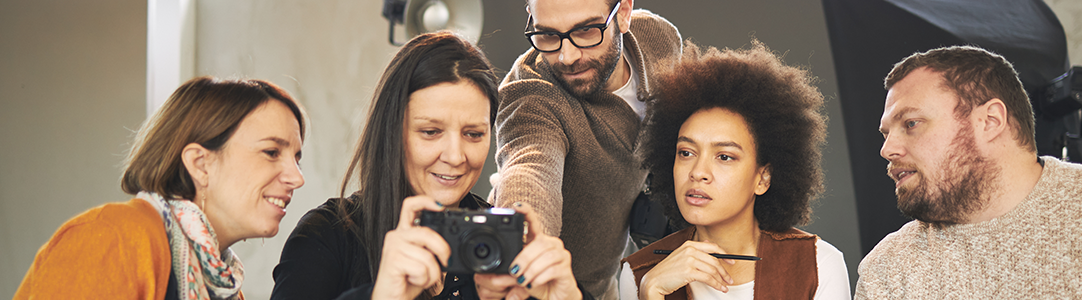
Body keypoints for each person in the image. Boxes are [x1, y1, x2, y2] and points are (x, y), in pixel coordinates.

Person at [857, 45, 1082, 298]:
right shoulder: (890, 271)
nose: (888, 149)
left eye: (911, 123)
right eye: (887, 133)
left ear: (990, 121)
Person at [270, 32, 586, 300]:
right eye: (431, 132)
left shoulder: (512, 247)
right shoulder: (326, 237)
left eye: (474, 134)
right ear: (392, 132)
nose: (455, 156)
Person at [15, 77, 308, 299]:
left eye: (297, 158)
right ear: (200, 163)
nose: (297, 178)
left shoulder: (222, 283)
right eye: (271, 152)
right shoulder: (114, 237)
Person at [617, 41, 850, 300]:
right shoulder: (640, 275)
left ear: (763, 178)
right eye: (686, 153)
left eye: (724, 156)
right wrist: (651, 293)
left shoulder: (818, 267)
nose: (697, 172)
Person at [491, 0, 682, 298]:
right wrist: (523, 237)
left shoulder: (658, 40)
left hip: (612, 279)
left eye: (586, 31)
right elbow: (530, 169)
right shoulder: (530, 95)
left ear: (623, 13)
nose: (567, 57)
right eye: (549, 35)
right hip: (555, 287)